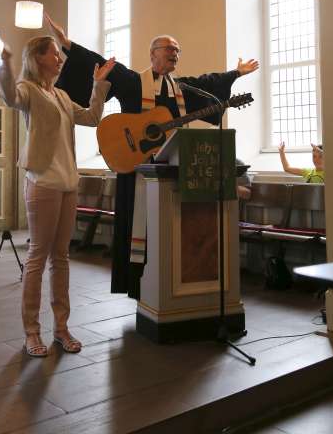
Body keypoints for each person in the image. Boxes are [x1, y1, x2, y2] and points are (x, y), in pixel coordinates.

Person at [47, 15, 259, 298]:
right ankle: (138, 286)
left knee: (168, 236)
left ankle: (172, 286)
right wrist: (66, 43)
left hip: (171, 177)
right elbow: (104, 65)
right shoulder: (134, 83)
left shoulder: (182, 90)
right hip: (136, 172)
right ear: (153, 54)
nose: (175, 54)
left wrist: (235, 73)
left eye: (178, 51)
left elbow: (209, 82)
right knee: (138, 230)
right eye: (169, 49)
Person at [0, 34, 115, 357]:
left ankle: (61, 328)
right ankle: (31, 332)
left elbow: (92, 117)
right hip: (43, 182)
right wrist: (3, 63)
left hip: (68, 184)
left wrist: (99, 86)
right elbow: (8, 96)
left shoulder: (61, 95)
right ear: (37, 58)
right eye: (53, 53)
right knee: (37, 257)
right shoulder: (28, 90)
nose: (60, 58)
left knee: (61, 258)